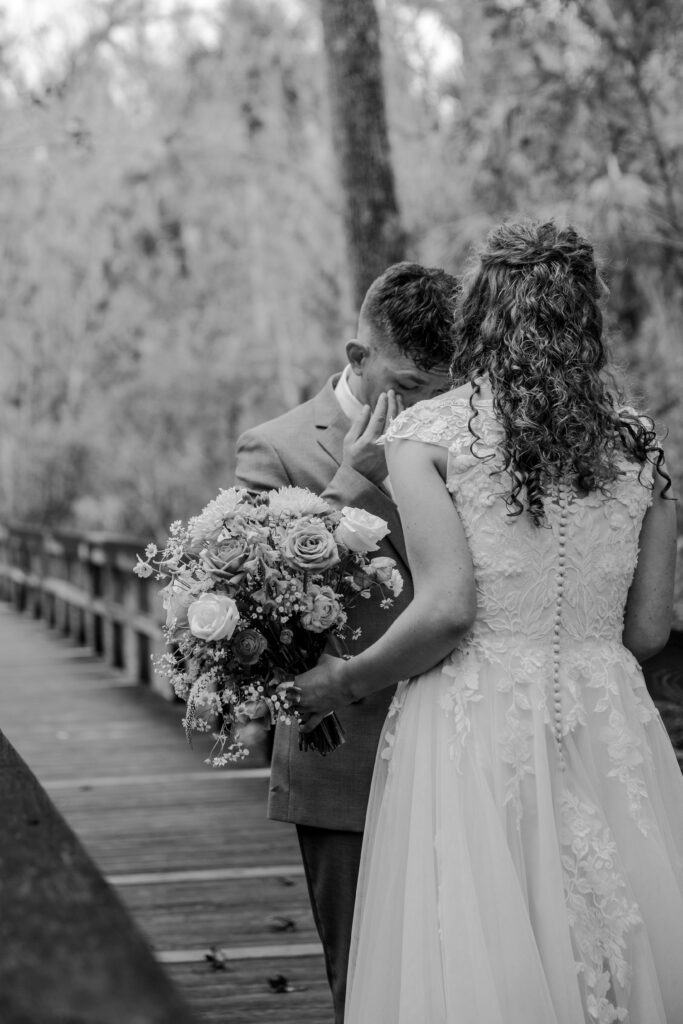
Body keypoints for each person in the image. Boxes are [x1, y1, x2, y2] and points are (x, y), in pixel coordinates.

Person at [293, 221, 683, 1023]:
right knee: (617, 935)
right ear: (586, 326)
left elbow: (446, 612)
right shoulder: (638, 442)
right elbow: (647, 632)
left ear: (478, 321)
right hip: (604, 717)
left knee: (478, 949)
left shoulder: (428, 435)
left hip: (475, 725)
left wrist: (343, 679)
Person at [233, 261, 457, 1022]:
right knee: (363, 983)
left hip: (470, 748)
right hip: (348, 763)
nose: (431, 403)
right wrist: (353, 487)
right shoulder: (275, 448)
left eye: (443, 384)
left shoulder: (472, 432)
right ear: (357, 359)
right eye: (411, 384)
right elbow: (260, 620)